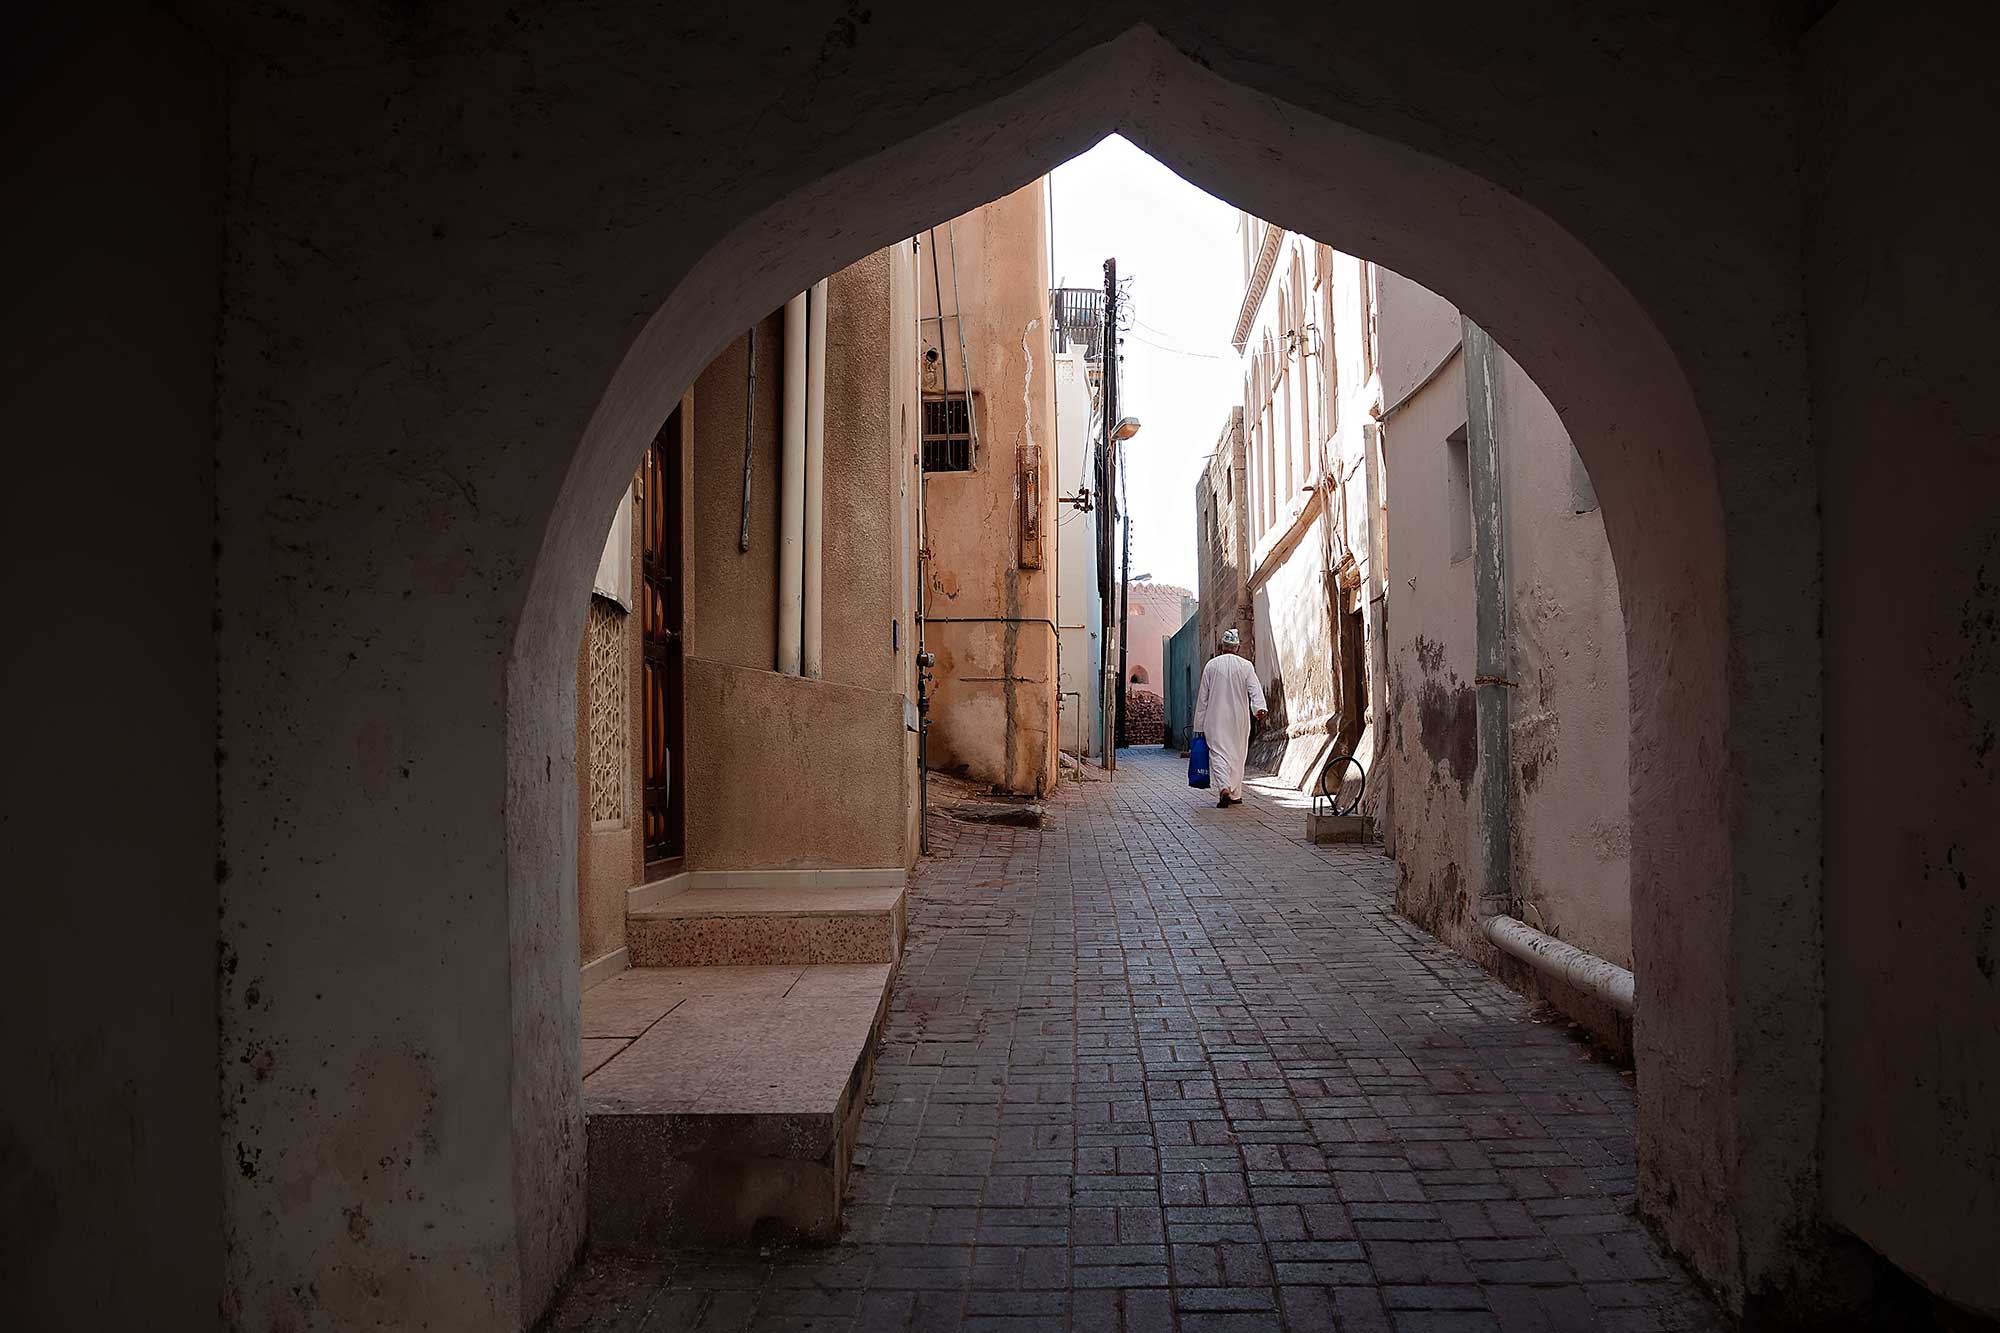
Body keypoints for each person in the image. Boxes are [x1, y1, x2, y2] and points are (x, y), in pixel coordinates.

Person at [1192, 628, 1267, 808]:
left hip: (1215, 719)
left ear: (1222, 646)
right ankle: (1235, 794)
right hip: (1238, 719)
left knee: (1218, 754)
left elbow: (1203, 698)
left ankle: (1224, 787)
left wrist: (1198, 726)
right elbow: (1254, 690)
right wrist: (1259, 708)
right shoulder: (1246, 666)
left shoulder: (1211, 665)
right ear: (1237, 647)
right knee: (1238, 755)